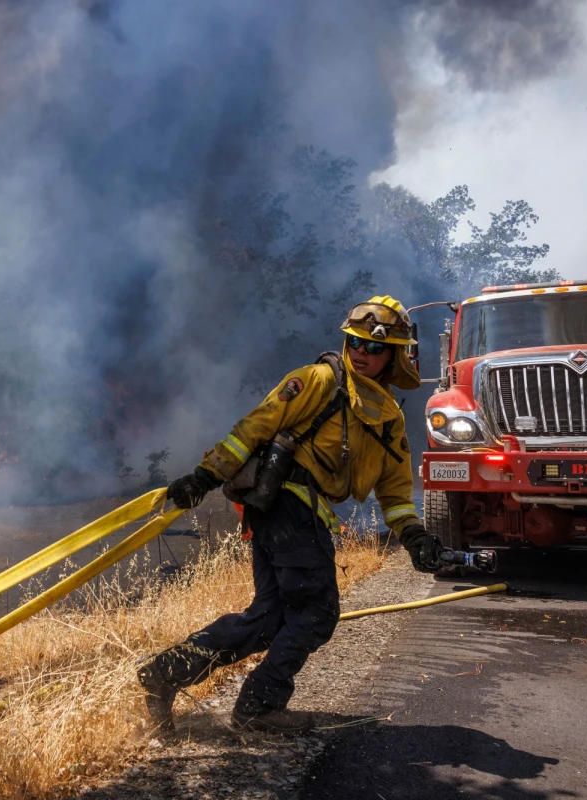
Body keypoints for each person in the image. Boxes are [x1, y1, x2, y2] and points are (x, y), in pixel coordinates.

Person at [137, 295, 440, 734]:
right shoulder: (318, 380)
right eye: (355, 343)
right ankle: (258, 707)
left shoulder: (388, 416)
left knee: (269, 618)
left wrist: (414, 537)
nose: (361, 354)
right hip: (286, 504)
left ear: (394, 355)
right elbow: (253, 428)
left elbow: (394, 491)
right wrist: (205, 477)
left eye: (375, 348)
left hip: (300, 512)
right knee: (317, 613)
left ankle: (165, 673)